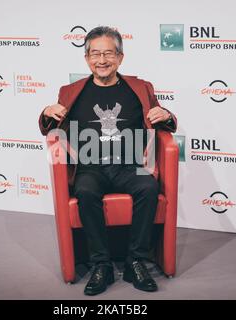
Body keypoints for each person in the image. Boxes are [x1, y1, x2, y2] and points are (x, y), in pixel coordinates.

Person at [38, 26, 177, 295]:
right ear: (87, 58)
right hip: (90, 166)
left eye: (109, 54)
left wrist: (166, 114)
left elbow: (164, 121)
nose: (102, 60)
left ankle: (135, 261)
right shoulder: (71, 91)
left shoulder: (140, 88)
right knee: (85, 191)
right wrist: (46, 112)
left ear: (120, 57)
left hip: (129, 165)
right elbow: (48, 127)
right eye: (96, 54)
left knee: (148, 188)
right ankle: (101, 265)